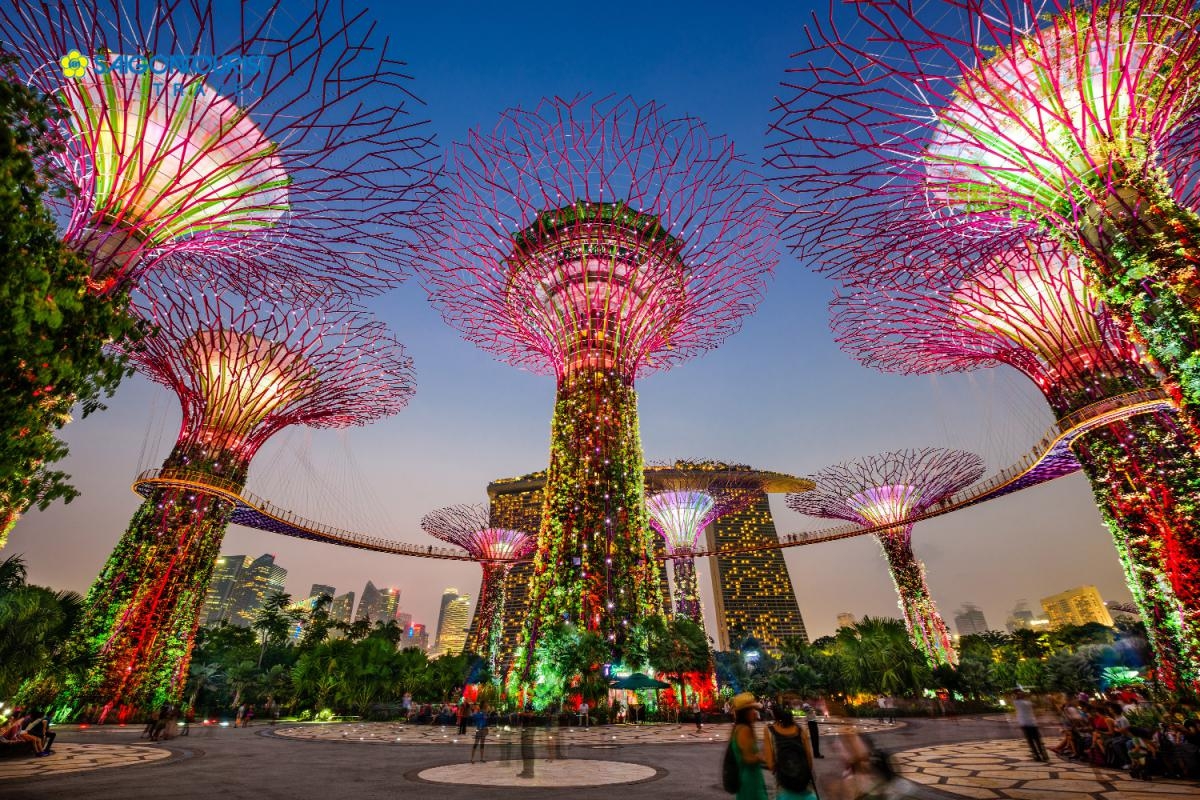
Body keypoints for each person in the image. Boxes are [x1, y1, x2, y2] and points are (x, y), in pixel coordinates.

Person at [763, 706, 817, 800]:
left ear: (775, 715)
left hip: (784, 787)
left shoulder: (769, 731)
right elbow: (809, 761)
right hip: (804, 786)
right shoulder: (800, 730)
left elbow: (771, 765)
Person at [729, 692, 769, 800]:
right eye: (752, 710)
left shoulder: (741, 728)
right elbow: (748, 758)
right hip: (750, 779)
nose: (755, 713)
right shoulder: (744, 730)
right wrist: (763, 755)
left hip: (749, 777)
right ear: (745, 713)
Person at [1013, 691, 1049, 762]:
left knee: (1031, 741)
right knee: (1038, 740)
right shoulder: (1028, 703)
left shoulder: (1017, 703)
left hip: (1024, 723)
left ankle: (1037, 755)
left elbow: (1015, 700)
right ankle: (1044, 755)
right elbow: (1035, 706)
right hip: (1032, 723)